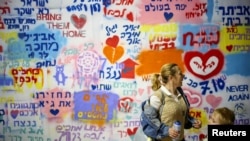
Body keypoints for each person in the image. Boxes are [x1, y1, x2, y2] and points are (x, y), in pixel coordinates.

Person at [148, 63, 202, 141]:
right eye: (180, 74)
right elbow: (150, 123)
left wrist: (193, 122)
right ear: (171, 78)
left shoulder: (181, 94)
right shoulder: (157, 97)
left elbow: (182, 116)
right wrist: (167, 130)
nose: (183, 76)